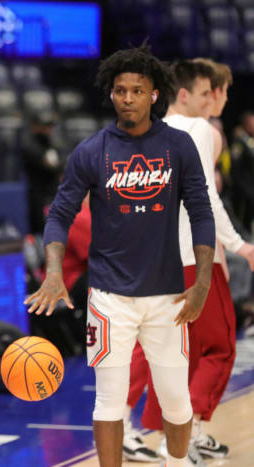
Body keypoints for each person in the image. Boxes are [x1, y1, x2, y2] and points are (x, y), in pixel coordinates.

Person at [25, 45, 215, 467]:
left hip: (168, 296)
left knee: (177, 403)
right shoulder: (92, 151)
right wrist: (53, 271)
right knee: (108, 404)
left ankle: (177, 461)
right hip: (109, 298)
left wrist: (201, 282)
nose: (127, 97)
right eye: (119, 90)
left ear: (153, 95)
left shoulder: (178, 146)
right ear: (110, 94)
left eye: (136, 90)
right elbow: (59, 215)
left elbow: (201, 214)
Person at [125, 59, 254, 462]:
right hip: (191, 257)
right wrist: (240, 245)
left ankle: (136, 426)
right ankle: (181, 434)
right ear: (188, 94)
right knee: (217, 348)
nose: (218, 99)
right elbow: (206, 197)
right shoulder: (200, 129)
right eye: (212, 92)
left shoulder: (143, 133)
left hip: (148, 258)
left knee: (159, 349)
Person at [20, 111, 64, 234]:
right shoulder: (29, 145)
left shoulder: (51, 143)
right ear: (35, 126)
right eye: (44, 126)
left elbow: (60, 165)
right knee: (41, 229)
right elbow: (51, 166)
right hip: (39, 196)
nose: (47, 129)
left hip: (54, 193)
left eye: (49, 126)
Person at [230, 111, 254, 232]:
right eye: (252, 122)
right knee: (242, 214)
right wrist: (242, 186)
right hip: (242, 187)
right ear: (246, 124)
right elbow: (235, 165)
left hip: (250, 185)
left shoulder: (249, 140)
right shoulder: (239, 141)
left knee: (249, 214)